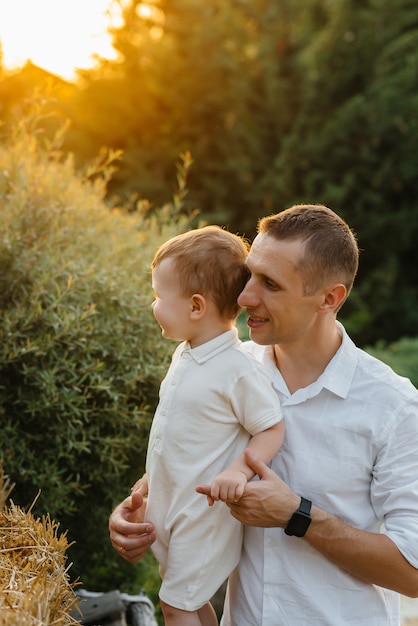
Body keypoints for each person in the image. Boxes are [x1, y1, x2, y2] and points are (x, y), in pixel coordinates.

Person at [109, 205, 418, 625]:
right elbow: (189, 456)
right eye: (248, 274)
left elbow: (414, 574)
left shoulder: (394, 408)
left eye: (269, 284)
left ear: (330, 298)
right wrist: (139, 508)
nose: (244, 296)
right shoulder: (226, 369)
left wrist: (298, 515)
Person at [126, 225, 284, 626]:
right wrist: (150, 479)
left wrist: (239, 470)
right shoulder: (188, 353)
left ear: (196, 307)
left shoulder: (237, 369)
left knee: (175, 602)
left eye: (159, 297)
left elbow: (271, 428)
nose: (154, 305)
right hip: (177, 504)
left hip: (204, 511)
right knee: (191, 600)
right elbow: (183, 430)